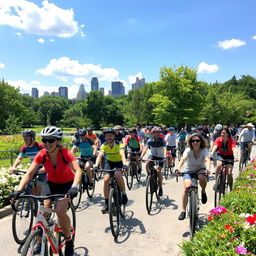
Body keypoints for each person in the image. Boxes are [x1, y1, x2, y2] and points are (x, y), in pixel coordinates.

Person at [10, 126, 82, 256]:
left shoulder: (65, 153)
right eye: (45, 140)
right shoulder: (42, 154)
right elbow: (30, 172)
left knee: (60, 211)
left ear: (58, 141)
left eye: (51, 140)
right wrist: (18, 190)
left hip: (66, 184)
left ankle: (69, 240)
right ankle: (38, 242)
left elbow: (78, 170)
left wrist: (75, 187)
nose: (47, 143)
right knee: (41, 213)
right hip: (51, 183)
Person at [176, 133, 211, 220]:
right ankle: (183, 211)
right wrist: (178, 168)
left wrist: (208, 169)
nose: (195, 142)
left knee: (202, 177)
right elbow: (183, 159)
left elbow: (207, 159)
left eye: (197, 140)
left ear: (201, 141)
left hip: (200, 169)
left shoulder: (204, 150)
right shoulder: (188, 150)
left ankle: (203, 191)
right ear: (190, 142)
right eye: (193, 141)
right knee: (187, 187)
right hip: (189, 170)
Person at [94, 128, 128, 213]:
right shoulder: (103, 145)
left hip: (119, 162)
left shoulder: (118, 144)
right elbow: (100, 155)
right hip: (109, 162)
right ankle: (106, 203)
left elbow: (122, 154)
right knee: (106, 180)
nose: (108, 137)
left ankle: (123, 193)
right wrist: (96, 165)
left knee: (117, 175)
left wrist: (124, 164)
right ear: (105, 137)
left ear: (114, 136)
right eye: (107, 136)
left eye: (110, 135)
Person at [8, 129, 45, 193]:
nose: (25, 140)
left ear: (33, 138)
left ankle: (41, 201)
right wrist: (14, 166)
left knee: (39, 184)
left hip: (43, 168)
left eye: (27, 139)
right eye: (24, 139)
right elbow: (19, 158)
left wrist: (44, 167)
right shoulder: (24, 148)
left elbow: (48, 157)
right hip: (33, 167)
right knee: (26, 182)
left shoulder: (40, 146)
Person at [140, 126, 166, 197]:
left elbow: (164, 149)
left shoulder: (162, 140)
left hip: (160, 157)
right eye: (155, 133)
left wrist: (165, 156)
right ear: (152, 134)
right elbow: (145, 149)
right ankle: (150, 177)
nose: (157, 134)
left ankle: (160, 187)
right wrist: (141, 156)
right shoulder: (149, 141)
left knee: (158, 171)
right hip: (152, 156)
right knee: (147, 164)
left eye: (159, 132)